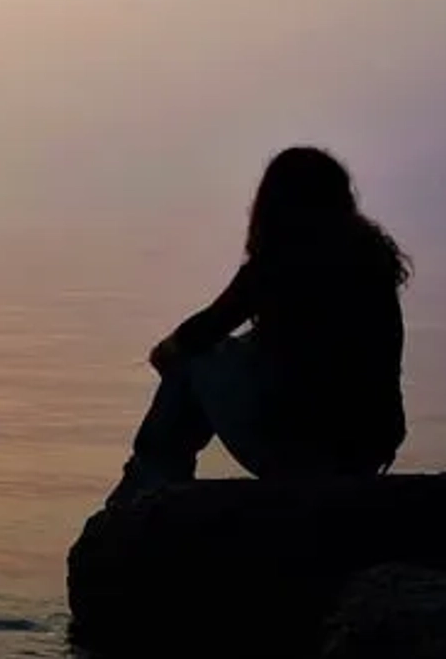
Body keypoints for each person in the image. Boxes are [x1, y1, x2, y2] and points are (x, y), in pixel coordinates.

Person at [108, 146, 411, 506]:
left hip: (304, 452)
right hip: (367, 451)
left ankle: (149, 486)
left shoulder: (277, 264)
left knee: (193, 362)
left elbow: (202, 332)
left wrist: (166, 354)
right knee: (242, 347)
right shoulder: (372, 264)